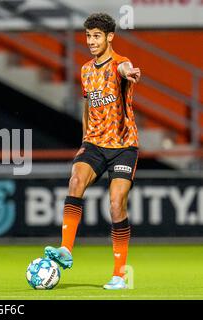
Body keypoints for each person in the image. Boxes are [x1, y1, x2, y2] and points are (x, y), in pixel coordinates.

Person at [44, 13, 141, 290]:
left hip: (123, 146)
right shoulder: (86, 70)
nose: (91, 41)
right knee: (75, 180)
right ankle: (66, 249)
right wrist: (85, 138)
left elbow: (125, 70)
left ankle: (119, 275)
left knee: (115, 204)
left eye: (96, 36)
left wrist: (130, 73)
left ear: (110, 37)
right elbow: (87, 105)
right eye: (88, 36)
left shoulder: (121, 64)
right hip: (95, 144)